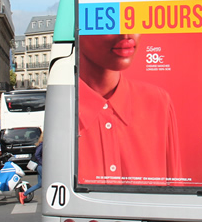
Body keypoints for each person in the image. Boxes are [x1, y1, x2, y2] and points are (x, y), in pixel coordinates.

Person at [77, 33, 182, 184]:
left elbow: (176, 194)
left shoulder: (158, 103)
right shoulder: (63, 108)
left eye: (132, 16)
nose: (125, 33)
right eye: (108, 17)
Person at [20, 132, 43, 203]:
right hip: (41, 166)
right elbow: (37, 154)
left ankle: (24, 194)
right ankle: (24, 193)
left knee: (40, 184)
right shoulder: (42, 144)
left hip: (40, 166)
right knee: (48, 181)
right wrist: (42, 162)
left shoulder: (41, 144)